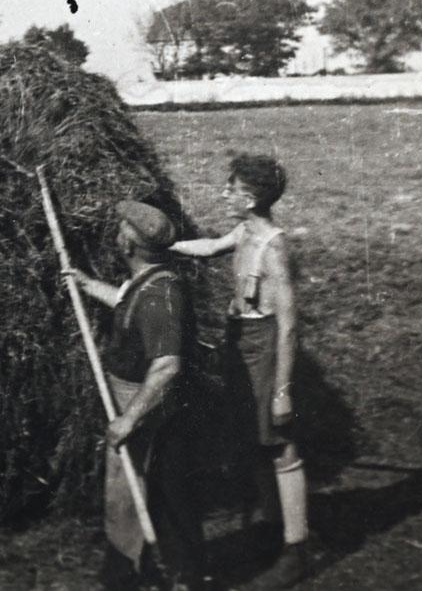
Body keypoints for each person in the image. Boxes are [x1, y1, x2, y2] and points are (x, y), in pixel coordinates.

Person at [170, 155, 310, 588]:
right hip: (240, 342)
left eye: (230, 189)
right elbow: (209, 248)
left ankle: (297, 547)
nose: (223, 193)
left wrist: (283, 390)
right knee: (254, 437)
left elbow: (288, 326)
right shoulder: (244, 231)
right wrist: (163, 247)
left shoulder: (273, 246)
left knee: (280, 441)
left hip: (266, 344)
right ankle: (271, 525)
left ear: (249, 199)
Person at [66, 201, 207, 591]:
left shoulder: (162, 296)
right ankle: (133, 570)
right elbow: (129, 302)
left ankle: (182, 578)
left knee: (164, 494)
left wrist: (130, 419)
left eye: (120, 230)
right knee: (134, 491)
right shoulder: (151, 279)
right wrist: (87, 284)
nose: (116, 235)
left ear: (128, 245)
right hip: (135, 401)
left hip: (155, 410)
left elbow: (166, 366)